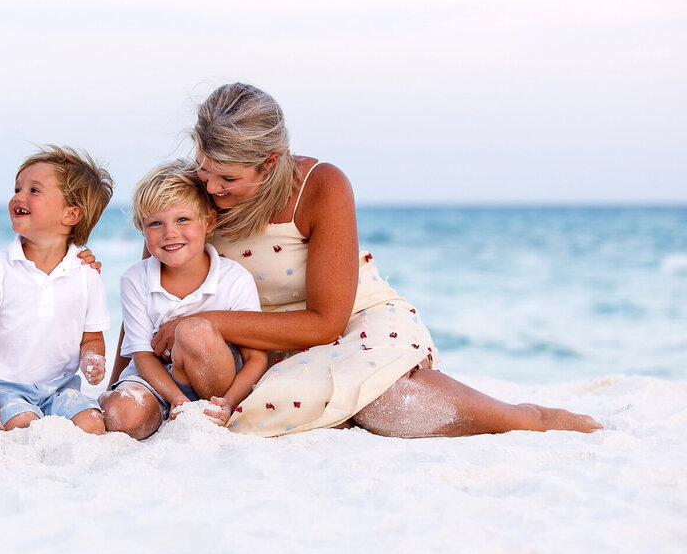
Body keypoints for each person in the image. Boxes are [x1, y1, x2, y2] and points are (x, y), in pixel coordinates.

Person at [152, 82, 601, 437]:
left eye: (229, 178)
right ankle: (334, 411)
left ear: (269, 164)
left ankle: (530, 418)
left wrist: (212, 318)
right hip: (250, 342)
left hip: (346, 321)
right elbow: (149, 289)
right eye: (204, 168)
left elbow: (325, 323)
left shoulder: (321, 185)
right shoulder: (188, 191)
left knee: (391, 406)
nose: (211, 188)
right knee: (235, 394)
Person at [100, 161, 267, 439]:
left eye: (182, 219)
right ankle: (127, 405)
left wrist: (229, 402)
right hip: (154, 383)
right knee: (122, 417)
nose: (170, 233)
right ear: (142, 230)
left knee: (193, 331)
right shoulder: (134, 279)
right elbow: (141, 355)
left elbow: (255, 358)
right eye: (156, 223)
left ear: (209, 222)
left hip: (215, 384)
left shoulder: (234, 278)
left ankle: (198, 407)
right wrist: (177, 399)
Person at [0, 147, 113, 440]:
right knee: (25, 426)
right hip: (5, 386)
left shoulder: (86, 273)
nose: (18, 196)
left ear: (70, 214)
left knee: (93, 425)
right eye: (17, 188)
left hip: (62, 387)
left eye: (34, 190)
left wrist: (93, 361)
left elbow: (92, 338)